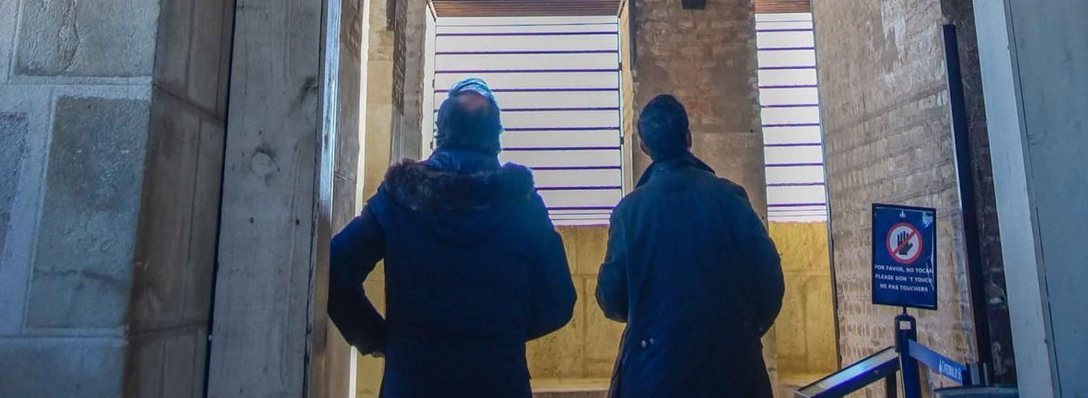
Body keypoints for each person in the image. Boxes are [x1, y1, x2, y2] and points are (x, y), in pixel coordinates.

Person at [327, 75, 577, 398]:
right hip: (499, 381)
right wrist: (505, 334)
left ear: (441, 132)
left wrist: (377, 338)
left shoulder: (399, 196)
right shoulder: (523, 205)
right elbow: (560, 300)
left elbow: (335, 270)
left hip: (412, 383)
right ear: (496, 137)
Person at [596, 92, 784, 398]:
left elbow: (611, 297)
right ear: (688, 137)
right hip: (734, 374)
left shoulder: (629, 212)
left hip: (654, 376)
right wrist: (744, 332)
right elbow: (770, 280)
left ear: (644, 147)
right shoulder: (730, 198)